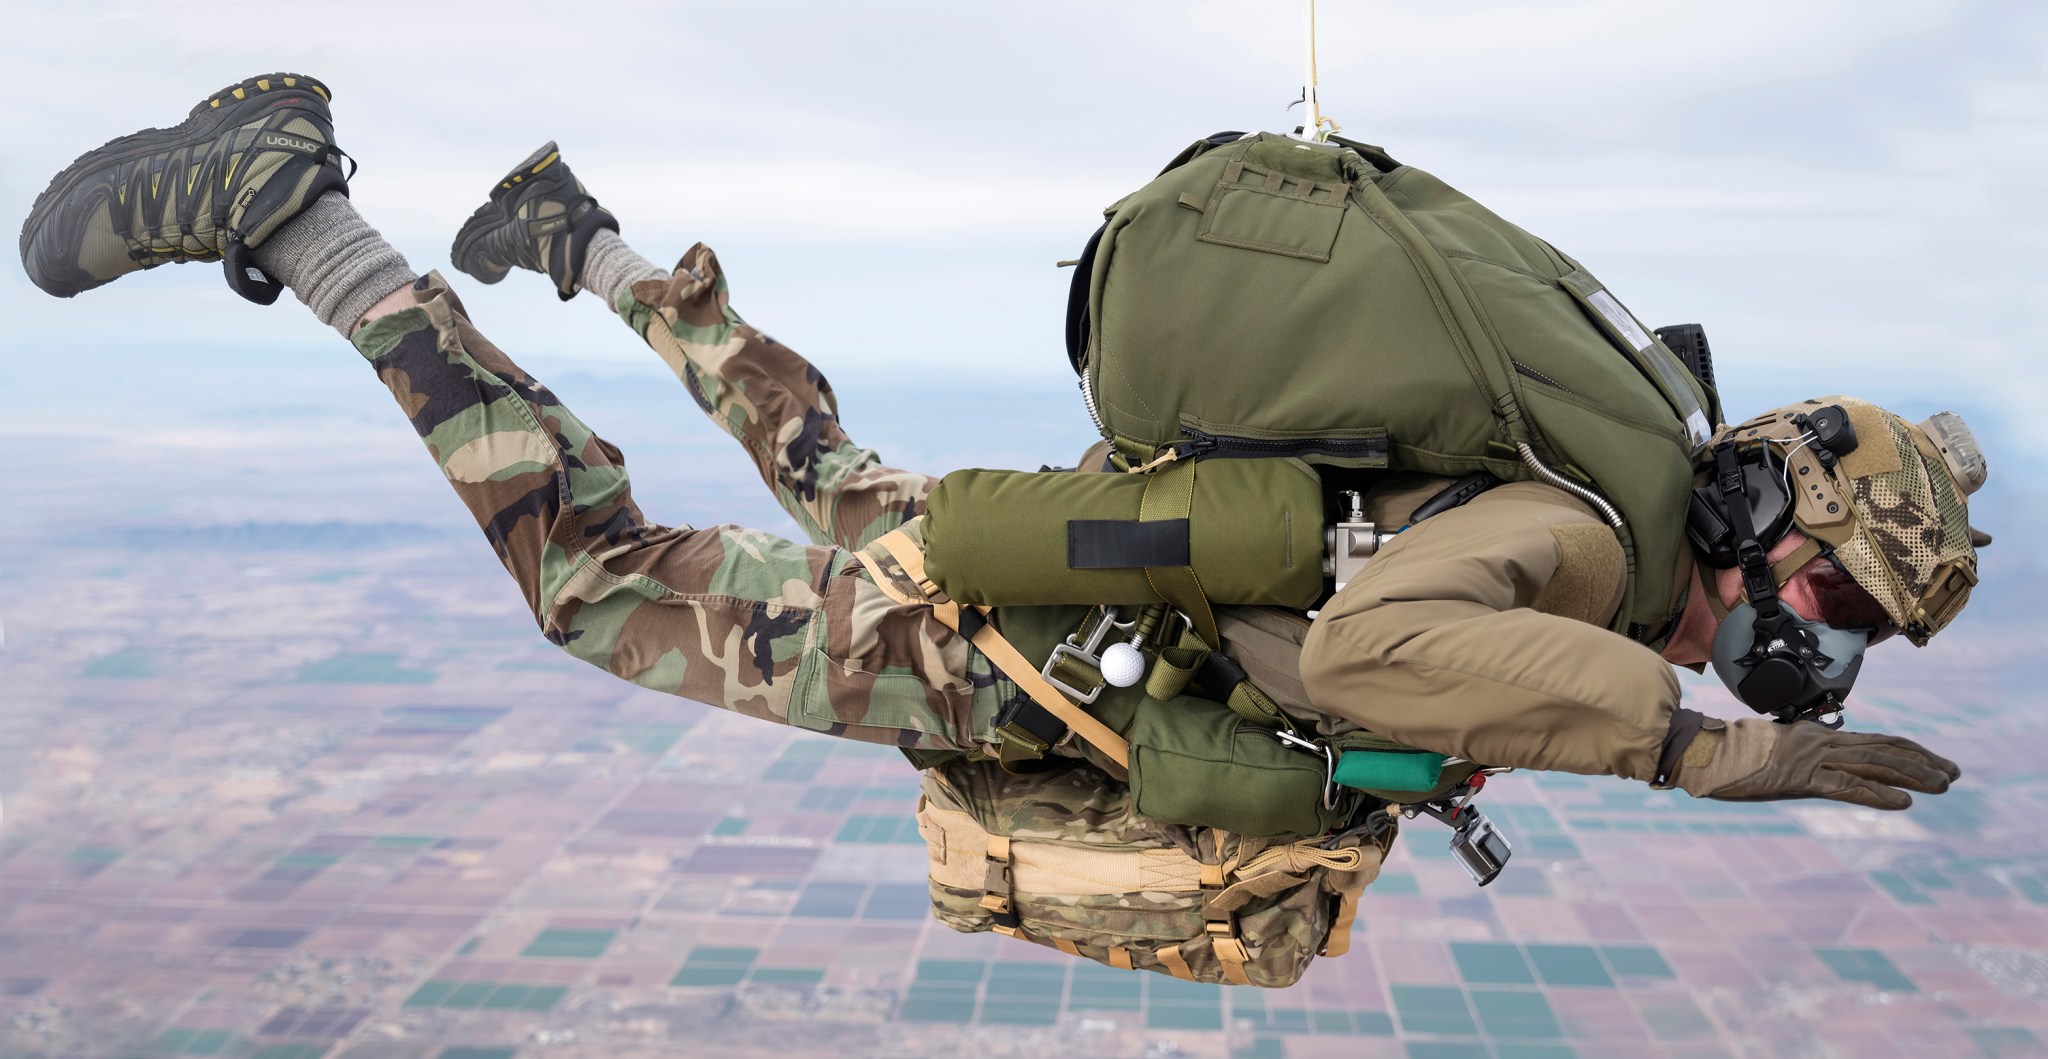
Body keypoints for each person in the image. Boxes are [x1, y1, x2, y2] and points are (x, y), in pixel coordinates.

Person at [20, 73, 1967, 825]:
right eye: (1823, 600)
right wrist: (1698, 741)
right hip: (1021, 641)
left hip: (1078, 572)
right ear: (1764, 505)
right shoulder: (1586, 548)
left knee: (833, 467)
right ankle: (294, 214)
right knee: (592, 582)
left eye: (1839, 640)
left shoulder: (1601, 518)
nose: (1807, 643)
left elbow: (1374, 678)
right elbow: (1379, 654)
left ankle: (580, 240)